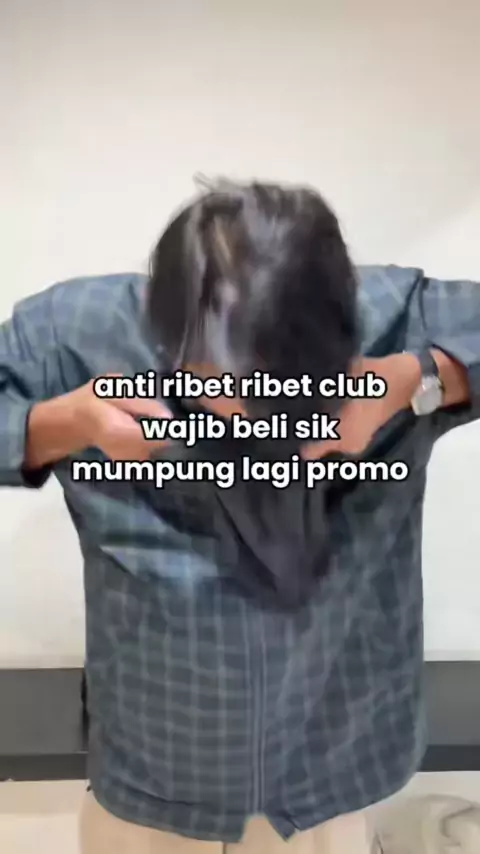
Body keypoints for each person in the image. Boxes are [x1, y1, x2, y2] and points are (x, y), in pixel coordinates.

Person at [1, 179, 479, 854]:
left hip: (332, 765)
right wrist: (61, 423)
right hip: (155, 769)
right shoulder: (75, 334)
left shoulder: (394, 317)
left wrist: (415, 379)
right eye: (221, 374)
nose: (249, 403)